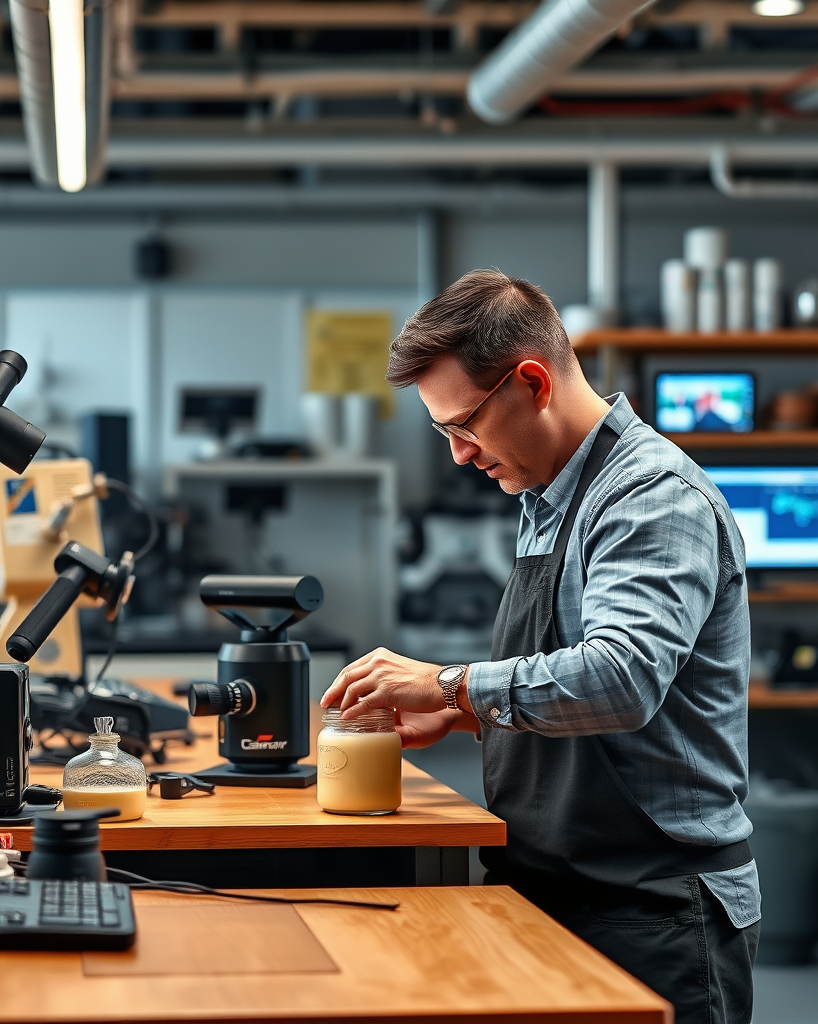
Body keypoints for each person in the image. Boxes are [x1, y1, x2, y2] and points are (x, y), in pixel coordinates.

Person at [322, 269, 759, 1024]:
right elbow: (580, 683)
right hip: (559, 887)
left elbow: (622, 680)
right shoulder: (545, 496)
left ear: (533, 382)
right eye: (443, 433)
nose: (459, 454)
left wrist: (451, 684)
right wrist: (470, 717)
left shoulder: (650, 497)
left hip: (655, 907)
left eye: (465, 425)